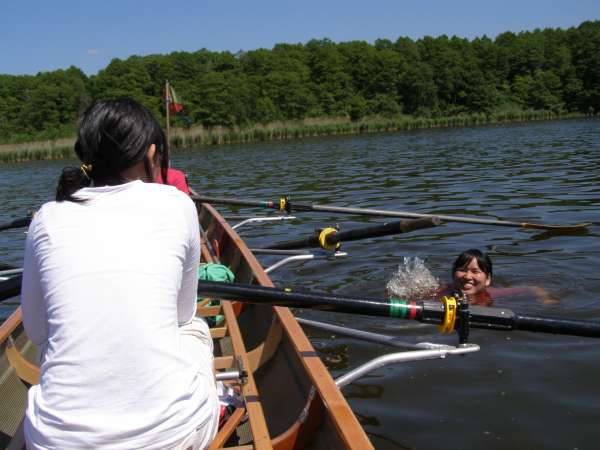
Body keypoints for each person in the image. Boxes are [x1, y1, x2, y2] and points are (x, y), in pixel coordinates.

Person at [21, 98, 219, 449]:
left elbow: (37, 333)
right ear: (152, 153)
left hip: (52, 443)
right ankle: (211, 399)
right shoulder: (177, 204)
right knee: (193, 326)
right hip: (173, 438)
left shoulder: (46, 218)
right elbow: (182, 314)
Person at [438, 249, 555, 306]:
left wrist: (546, 298)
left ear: (487, 279)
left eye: (475, 271)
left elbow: (532, 288)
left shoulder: (494, 294)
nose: (468, 276)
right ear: (453, 274)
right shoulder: (443, 291)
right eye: (462, 270)